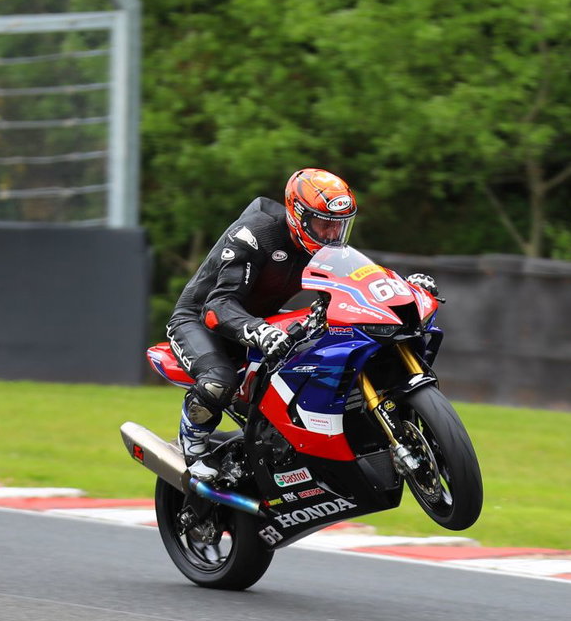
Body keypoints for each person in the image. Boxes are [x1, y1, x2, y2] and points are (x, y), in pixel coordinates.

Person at [166, 167, 437, 475]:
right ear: (299, 216)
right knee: (219, 381)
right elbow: (217, 305)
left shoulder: (326, 247)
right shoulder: (255, 235)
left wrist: (405, 288)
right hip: (199, 321)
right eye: (324, 225)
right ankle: (193, 446)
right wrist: (259, 330)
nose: (332, 235)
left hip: (261, 320)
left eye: (339, 227)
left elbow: (361, 280)